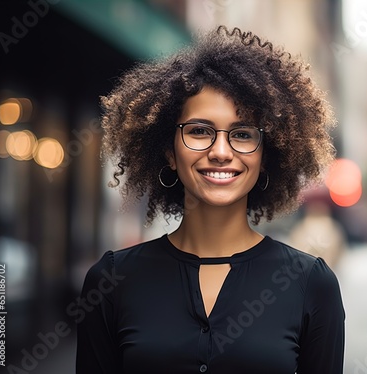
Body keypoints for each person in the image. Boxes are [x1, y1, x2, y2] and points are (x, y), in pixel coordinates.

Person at [76, 26, 345, 374]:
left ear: (266, 154)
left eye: (243, 134)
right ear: (169, 152)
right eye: (199, 131)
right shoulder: (111, 281)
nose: (221, 152)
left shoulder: (311, 283)